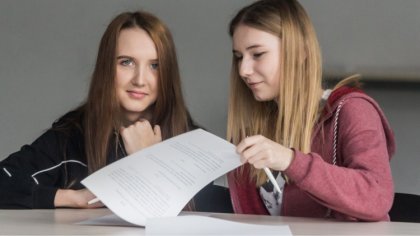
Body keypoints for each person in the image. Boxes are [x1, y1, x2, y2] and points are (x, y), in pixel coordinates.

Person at [0, 11, 232, 212]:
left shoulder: (192, 142)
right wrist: (74, 198)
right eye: (126, 62)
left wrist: (149, 160)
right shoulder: (72, 135)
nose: (140, 80)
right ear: (106, 67)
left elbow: (210, 214)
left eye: (155, 66)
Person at [226, 0, 395, 221]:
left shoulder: (352, 110)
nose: (243, 70)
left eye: (257, 54)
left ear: (300, 52)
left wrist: (290, 161)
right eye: (239, 57)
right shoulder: (251, 132)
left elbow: (377, 197)